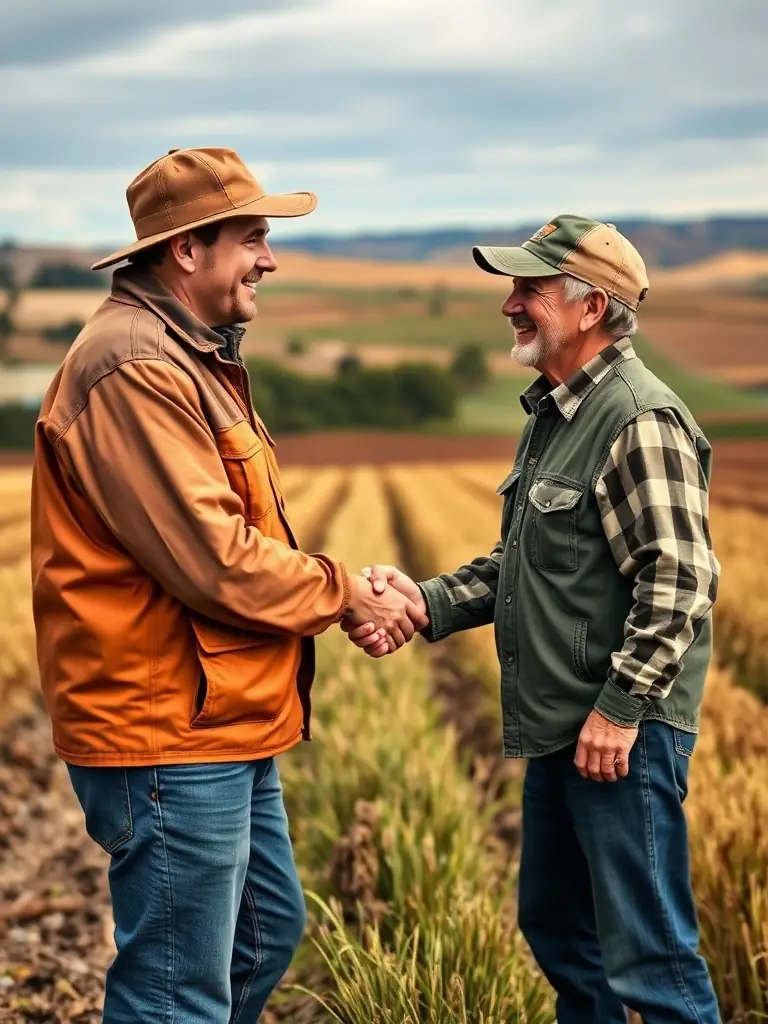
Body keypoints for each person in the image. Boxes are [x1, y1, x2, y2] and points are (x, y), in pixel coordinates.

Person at [29, 146, 426, 1024]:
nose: (270, 258)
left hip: (219, 714)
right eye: (253, 237)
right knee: (177, 993)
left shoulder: (186, 354)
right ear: (187, 251)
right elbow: (213, 558)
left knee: (262, 937)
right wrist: (346, 593)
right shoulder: (134, 367)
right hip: (167, 726)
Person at [345, 214, 722, 1023]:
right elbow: (523, 564)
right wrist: (424, 600)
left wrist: (620, 711)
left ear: (592, 308)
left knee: (651, 957)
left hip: (623, 734)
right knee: (558, 930)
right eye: (513, 287)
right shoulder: (554, 413)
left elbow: (682, 579)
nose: (510, 304)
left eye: (531, 288)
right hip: (567, 727)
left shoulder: (637, 419)